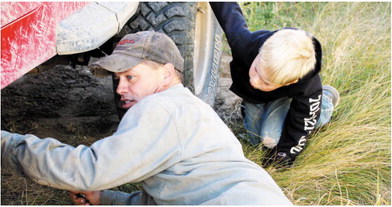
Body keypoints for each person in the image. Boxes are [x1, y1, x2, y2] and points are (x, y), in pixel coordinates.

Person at [1, 31, 292, 205]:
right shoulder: (187, 108)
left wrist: (6, 144)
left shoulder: (161, 107)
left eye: (131, 76)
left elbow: (88, 170)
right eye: (117, 79)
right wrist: (105, 199)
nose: (120, 88)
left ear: (166, 73)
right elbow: (173, 196)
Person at [209, 2, 340, 166]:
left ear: (291, 82)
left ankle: (325, 101)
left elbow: (303, 122)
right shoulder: (245, 44)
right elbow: (228, 12)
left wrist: (285, 154)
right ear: (260, 51)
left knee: (270, 140)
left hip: (286, 96)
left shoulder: (306, 85)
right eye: (256, 70)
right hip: (255, 97)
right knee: (255, 139)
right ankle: (271, 102)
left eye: (265, 81)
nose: (254, 81)